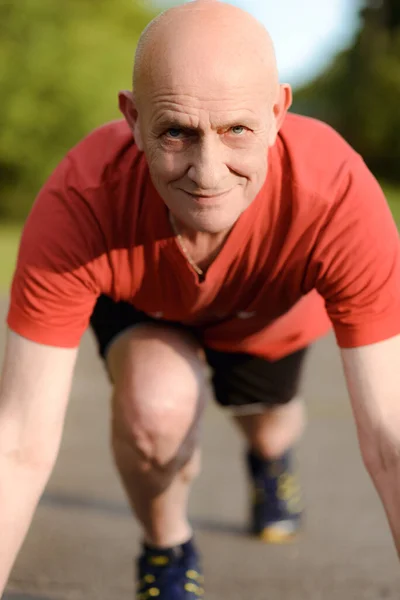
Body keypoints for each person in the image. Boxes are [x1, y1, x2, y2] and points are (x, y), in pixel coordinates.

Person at [1, 0, 400, 598]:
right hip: (149, 307)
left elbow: (389, 437)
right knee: (155, 407)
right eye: (175, 132)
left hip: (266, 318)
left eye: (236, 129)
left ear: (277, 113)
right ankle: (167, 548)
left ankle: (269, 464)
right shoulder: (82, 201)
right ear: (132, 119)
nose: (207, 173)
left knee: (268, 429)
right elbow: (19, 442)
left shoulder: (338, 197)